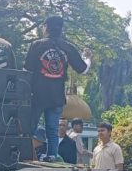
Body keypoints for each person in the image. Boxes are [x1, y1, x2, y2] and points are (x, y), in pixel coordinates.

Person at [24, 15, 91, 160]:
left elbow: (27, 70)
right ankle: (52, 155)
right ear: (61, 29)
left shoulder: (37, 45)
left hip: (37, 95)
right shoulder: (68, 47)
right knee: (53, 130)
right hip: (57, 97)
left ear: (46, 27)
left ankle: (24, 154)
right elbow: (83, 69)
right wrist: (87, 57)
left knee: (28, 129)